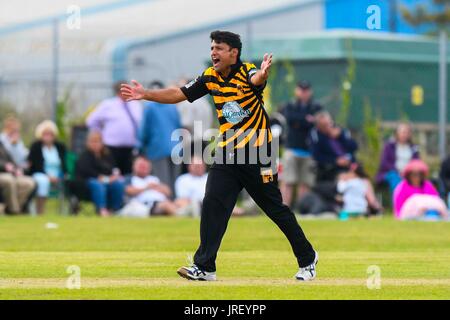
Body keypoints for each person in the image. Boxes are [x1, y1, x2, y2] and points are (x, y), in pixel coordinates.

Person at [121, 30, 318, 282]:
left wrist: (263, 73)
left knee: (274, 209)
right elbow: (179, 93)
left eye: (219, 48)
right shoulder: (210, 77)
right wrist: (146, 94)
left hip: (260, 153)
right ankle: (204, 266)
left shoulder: (246, 72)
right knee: (213, 203)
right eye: (212, 47)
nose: (213, 52)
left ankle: (308, 258)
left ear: (233, 53)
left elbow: (256, 79)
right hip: (228, 153)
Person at [279, 81, 322, 207]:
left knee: (306, 182)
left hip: (309, 151)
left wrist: (302, 121)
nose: (304, 93)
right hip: (291, 149)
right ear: (297, 91)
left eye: (306, 90)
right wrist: (307, 120)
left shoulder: (316, 107)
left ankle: (303, 208)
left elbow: (318, 122)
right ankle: (284, 208)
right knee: (288, 181)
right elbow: (291, 119)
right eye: (301, 90)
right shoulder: (290, 105)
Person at [86, 81, 142, 175]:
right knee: (113, 174)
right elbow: (91, 121)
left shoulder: (135, 104)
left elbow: (140, 123)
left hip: (130, 148)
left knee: (128, 175)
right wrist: (101, 134)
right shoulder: (108, 105)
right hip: (111, 149)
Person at [139, 81, 182, 193]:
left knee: (163, 182)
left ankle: (168, 205)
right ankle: (176, 206)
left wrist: (141, 145)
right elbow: (178, 125)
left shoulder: (149, 107)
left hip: (157, 148)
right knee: (175, 181)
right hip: (176, 147)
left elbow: (144, 130)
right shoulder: (172, 106)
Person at [76, 131, 125, 217]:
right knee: (97, 185)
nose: (95, 144)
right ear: (88, 143)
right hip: (87, 183)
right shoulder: (84, 156)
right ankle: (101, 210)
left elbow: (113, 169)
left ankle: (116, 210)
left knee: (118, 185)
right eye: (92, 141)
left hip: (107, 181)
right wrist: (102, 178)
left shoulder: (107, 155)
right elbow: (87, 172)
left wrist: (114, 176)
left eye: (97, 141)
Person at [28, 120, 66, 214]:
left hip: (57, 175)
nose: (48, 136)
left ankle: (66, 211)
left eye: (50, 134)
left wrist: (60, 175)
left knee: (67, 181)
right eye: (46, 134)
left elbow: (64, 165)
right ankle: (40, 211)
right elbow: (35, 165)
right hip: (40, 173)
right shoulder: (36, 146)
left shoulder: (60, 147)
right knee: (43, 181)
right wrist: (48, 176)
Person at [310, 111, 358, 182]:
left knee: (365, 181)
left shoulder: (341, 131)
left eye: (329, 123)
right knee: (346, 180)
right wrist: (335, 161)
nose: (328, 127)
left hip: (350, 164)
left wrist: (341, 136)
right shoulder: (316, 136)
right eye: (324, 125)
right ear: (318, 126)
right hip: (331, 169)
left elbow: (354, 147)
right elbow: (316, 156)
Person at [376, 123, 419, 192]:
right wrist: (398, 171)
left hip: (409, 173)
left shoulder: (413, 147)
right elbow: (384, 163)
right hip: (392, 173)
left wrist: (408, 172)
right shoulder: (389, 146)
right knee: (394, 177)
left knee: (418, 180)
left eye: (407, 132)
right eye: (402, 132)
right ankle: (399, 200)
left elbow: (417, 162)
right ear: (397, 133)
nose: (404, 135)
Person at [0, 140, 35, 214]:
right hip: (3, 173)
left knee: (29, 183)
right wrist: (4, 166)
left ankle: (10, 209)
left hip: (10, 173)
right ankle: (14, 211)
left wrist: (17, 168)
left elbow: (10, 159)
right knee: (8, 180)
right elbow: (4, 163)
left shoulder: (1, 143)